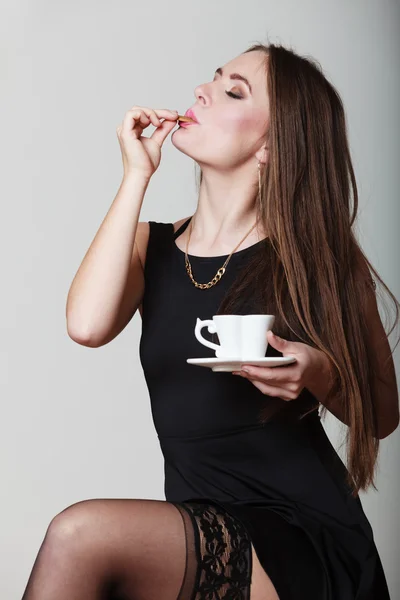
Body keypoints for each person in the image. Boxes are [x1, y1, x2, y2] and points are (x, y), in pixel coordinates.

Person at [21, 43, 399, 600]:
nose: (202, 90)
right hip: (197, 526)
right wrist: (136, 176)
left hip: (299, 534)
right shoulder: (152, 246)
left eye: (233, 91)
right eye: (213, 78)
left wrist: (317, 372)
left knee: (79, 536)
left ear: (271, 145)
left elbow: (384, 414)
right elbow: (86, 325)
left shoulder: (318, 258)